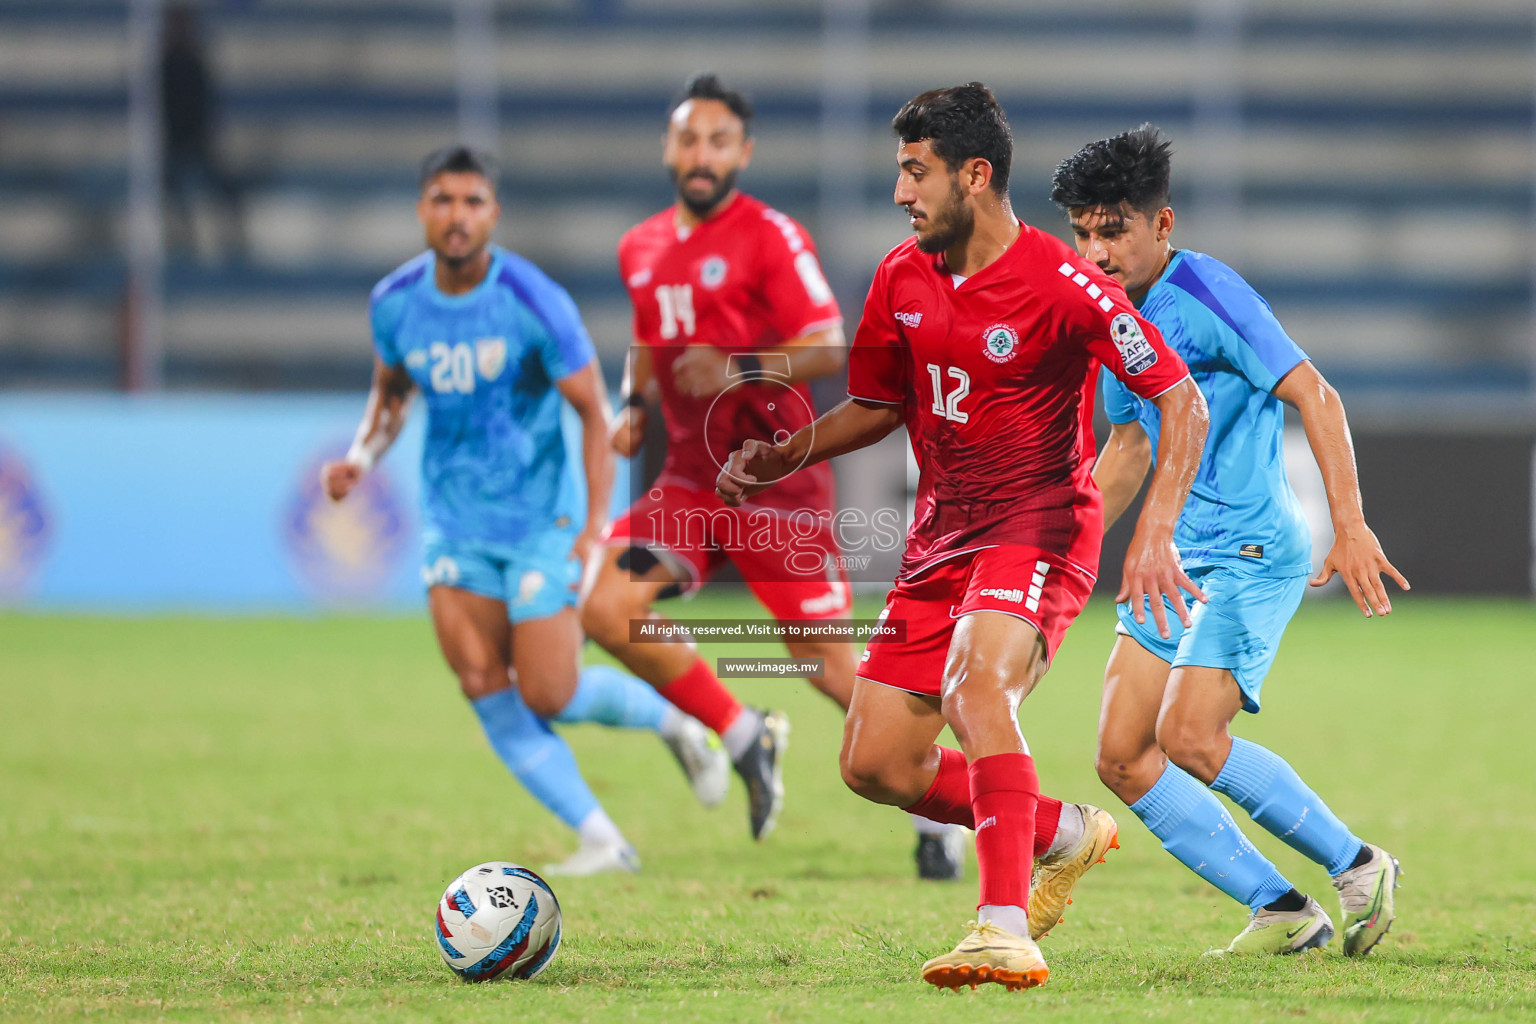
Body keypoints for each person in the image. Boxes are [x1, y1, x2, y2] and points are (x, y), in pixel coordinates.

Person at [717, 84, 1211, 990]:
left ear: (975, 175)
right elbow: (876, 403)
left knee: (975, 692)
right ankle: (1060, 831)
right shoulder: (900, 277)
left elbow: (1180, 397)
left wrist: (1156, 532)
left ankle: (1001, 925)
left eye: (917, 172)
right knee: (874, 764)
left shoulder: (1065, 286)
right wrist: (786, 452)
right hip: (941, 539)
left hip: (1040, 526)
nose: (902, 193)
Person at [581, 73, 966, 876]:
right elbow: (648, 344)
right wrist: (633, 407)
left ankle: (942, 804)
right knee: (608, 605)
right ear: (668, 147)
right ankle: (743, 731)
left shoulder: (771, 237)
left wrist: (734, 367)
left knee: (829, 666)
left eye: (718, 141)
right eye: (688, 138)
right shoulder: (641, 246)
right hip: (690, 484)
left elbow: (829, 344)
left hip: (773, 485)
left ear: (743, 153)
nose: (701, 154)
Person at [1051, 124, 1409, 956]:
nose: (1096, 251)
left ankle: (1360, 866)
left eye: (1115, 230)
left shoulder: (1207, 291)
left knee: (1191, 739)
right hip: (1175, 558)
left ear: (1161, 226)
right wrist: (1054, 553)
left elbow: (1315, 394)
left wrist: (1350, 525)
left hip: (1250, 548)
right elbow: (1131, 446)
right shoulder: (1105, 317)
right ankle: (1282, 910)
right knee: (1122, 758)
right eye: (1082, 231)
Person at [322, 146, 725, 878]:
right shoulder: (395, 301)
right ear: (422, 208)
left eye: (472, 202)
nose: (457, 216)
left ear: (493, 214)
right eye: (443, 200)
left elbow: (592, 416)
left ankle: (676, 723)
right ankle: (603, 837)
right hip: (455, 523)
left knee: (551, 690)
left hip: (544, 522)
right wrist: (363, 455)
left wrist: (597, 526)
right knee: (480, 679)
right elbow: (392, 393)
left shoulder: (534, 300)